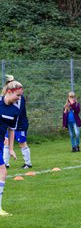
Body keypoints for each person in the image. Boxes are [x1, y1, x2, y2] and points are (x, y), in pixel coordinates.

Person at [0, 80, 23, 216]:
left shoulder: (15, 110)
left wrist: (11, 148)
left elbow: (12, 129)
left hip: (1, 143)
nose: (19, 99)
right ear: (9, 92)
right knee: (2, 171)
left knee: (2, 172)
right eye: (17, 95)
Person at [2, 75, 32, 169]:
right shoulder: (5, 98)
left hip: (20, 124)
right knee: (6, 141)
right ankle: (5, 163)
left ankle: (28, 163)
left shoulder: (19, 98)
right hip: (9, 124)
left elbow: (17, 112)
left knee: (22, 142)